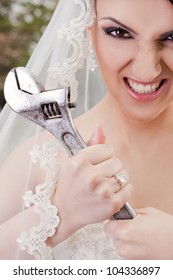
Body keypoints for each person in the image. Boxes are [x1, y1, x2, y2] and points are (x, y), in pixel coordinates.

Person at [0, 0, 173, 260]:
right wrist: (60, 213)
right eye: (119, 32)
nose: (147, 70)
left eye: (172, 37)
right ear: (89, 31)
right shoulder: (35, 165)